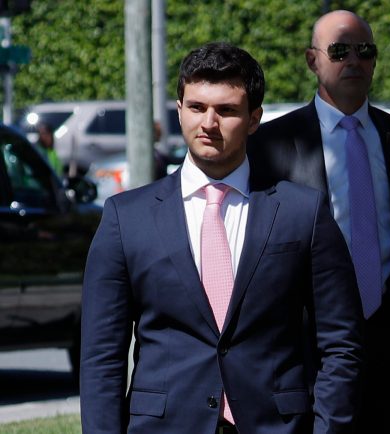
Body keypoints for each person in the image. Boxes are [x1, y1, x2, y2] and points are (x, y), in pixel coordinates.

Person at [80, 42, 364, 434]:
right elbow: (101, 357)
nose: (208, 123)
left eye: (226, 110)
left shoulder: (303, 213)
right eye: (196, 107)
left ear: (254, 119)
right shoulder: (125, 218)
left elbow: (342, 343)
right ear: (179, 110)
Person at [248, 9, 390, 433]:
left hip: (389, 334)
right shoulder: (271, 143)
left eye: (365, 51)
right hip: (307, 339)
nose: (354, 61)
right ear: (312, 60)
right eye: (339, 51)